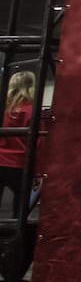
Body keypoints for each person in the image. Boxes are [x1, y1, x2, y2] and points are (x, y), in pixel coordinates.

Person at [0, 72, 35, 219]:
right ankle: (16, 238)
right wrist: (38, 169)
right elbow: (37, 143)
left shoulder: (3, 109)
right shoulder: (31, 110)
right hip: (19, 164)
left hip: (0, 159)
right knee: (20, 206)